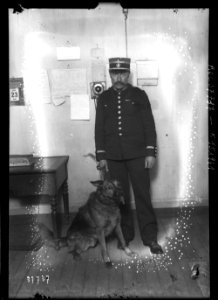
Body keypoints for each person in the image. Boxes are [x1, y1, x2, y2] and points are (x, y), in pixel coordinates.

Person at [94, 57, 163, 254]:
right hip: (113, 157)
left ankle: (150, 238)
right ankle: (126, 234)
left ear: (128, 74)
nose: (119, 77)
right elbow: (99, 129)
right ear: (110, 74)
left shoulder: (139, 95)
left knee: (143, 196)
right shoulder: (104, 98)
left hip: (138, 155)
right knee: (119, 199)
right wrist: (101, 156)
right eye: (115, 73)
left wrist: (150, 152)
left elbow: (149, 125)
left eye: (123, 73)